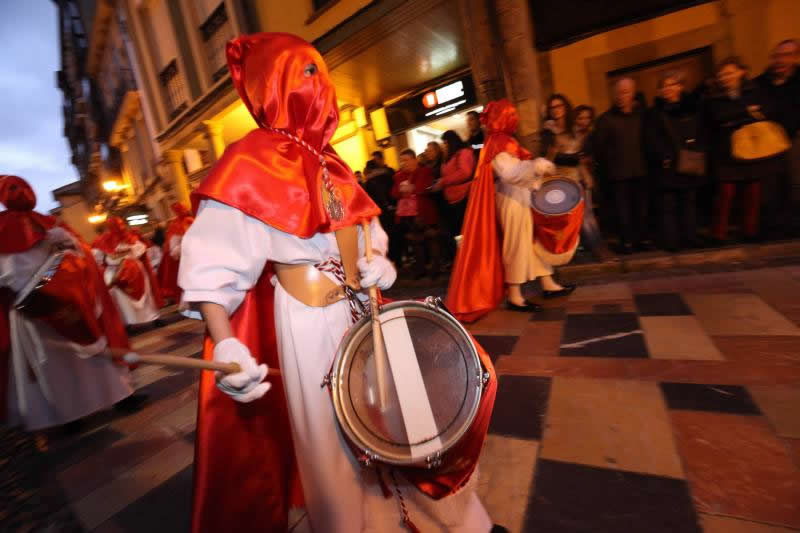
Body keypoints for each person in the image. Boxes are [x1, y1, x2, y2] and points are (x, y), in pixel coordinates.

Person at [178, 32, 495, 533]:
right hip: (307, 323)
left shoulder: (333, 162)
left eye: (321, 71)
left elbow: (369, 232)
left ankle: (436, 519)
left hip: (368, 311)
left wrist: (380, 262)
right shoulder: (248, 163)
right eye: (308, 71)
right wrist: (227, 344)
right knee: (333, 444)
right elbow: (212, 267)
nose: (322, 83)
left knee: (401, 419)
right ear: (279, 83)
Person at [0, 175, 134, 431]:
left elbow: (76, 256)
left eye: (23, 186)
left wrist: (68, 254)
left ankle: (117, 397)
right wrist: (41, 291)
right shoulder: (6, 228)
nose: (20, 192)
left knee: (94, 356)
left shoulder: (50, 224)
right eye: (13, 188)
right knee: (53, 366)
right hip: (33, 309)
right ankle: (67, 416)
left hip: (69, 301)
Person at [446, 100, 576, 321]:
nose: (516, 119)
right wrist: (535, 166)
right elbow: (510, 173)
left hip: (519, 195)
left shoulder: (501, 141)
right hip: (510, 198)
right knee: (516, 243)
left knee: (533, 241)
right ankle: (515, 295)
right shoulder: (497, 142)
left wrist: (534, 174)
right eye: (512, 115)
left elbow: (517, 173)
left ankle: (548, 283)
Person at [706, 56, 785, 243]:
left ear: (742, 72)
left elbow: (767, 110)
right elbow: (718, 117)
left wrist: (736, 117)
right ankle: (718, 233)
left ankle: (749, 231)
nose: (725, 78)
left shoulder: (754, 90)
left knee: (753, 191)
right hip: (726, 150)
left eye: (729, 73)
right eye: (722, 75)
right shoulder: (712, 96)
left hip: (753, 147)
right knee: (725, 194)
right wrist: (746, 112)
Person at [644, 70, 707, 251]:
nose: (667, 89)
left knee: (689, 202)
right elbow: (651, 138)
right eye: (663, 86)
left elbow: (701, 131)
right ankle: (672, 241)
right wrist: (663, 155)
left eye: (671, 85)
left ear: (681, 86)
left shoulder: (692, 107)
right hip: (667, 164)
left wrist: (697, 149)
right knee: (668, 205)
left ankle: (690, 237)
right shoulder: (654, 112)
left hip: (689, 160)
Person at [592, 78, 650, 254]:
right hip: (617, 173)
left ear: (633, 93)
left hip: (641, 169)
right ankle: (627, 242)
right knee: (622, 211)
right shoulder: (605, 119)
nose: (621, 96)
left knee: (642, 209)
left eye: (625, 92)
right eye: (618, 92)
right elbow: (599, 147)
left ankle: (643, 240)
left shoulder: (642, 116)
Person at [755, 39, 800, 236]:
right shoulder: (760, 82)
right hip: (769, 141)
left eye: (786, 55)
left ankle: (795, 224)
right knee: (770, 184)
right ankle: (774, 226)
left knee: (795, 182)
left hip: (795, 138)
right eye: (776, 56)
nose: (780, 60)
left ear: (795, 57)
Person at [92, 217, 163, 328]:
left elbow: (141, 249)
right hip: (116, 272)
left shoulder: (130, 237)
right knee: (122, 301)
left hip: (135, 270)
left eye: (121, 224)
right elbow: (98, 257)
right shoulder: (102, 241)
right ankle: (128, 323)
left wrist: (124, 255)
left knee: (145, 296)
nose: (120, 227)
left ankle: (153, 318)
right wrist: (113, 258)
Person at [392, 148, 440, 279]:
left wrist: (412, 188)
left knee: (431, 239)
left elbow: (426, 188)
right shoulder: (398, 175)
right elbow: (394, 193)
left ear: (414, 160)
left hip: (424, 211)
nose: (403, 163)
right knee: (415, 241)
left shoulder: (424, 171)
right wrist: (402, 190)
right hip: (408, 215)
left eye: (406, 160)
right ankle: (420, 269)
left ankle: (435, 268)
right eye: (401, 161)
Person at [432, 130, 475, 244]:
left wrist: (443, 181)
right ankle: (462, 255)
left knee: (467, 231)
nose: (444, 146)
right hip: (453, 200)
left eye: (445, 143)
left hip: (464, 197)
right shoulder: (448, 157)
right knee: (458, 233)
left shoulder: (463, 152)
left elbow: (465, 172)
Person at [157, 203, 194, 303]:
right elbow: (173, 248)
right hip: (184, 260)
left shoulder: (193, 219)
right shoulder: (175, 225)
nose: (184, 210)